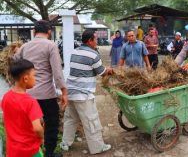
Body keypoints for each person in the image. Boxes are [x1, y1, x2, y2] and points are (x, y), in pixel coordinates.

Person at [14, 20, 68, 157]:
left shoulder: (25, 47)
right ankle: (49, 152)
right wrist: (64, 92)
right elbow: (57, 72)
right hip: (46, 95)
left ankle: (31, 151)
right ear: (49, 32)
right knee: (51, 123)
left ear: (34, 31)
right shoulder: (51, 45)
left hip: (27, 94)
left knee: (28, 124)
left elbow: (15, 62)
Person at [60, 30, 113, 154]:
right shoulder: (93, 54)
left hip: (71, 91)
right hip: (83, 94)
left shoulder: (74, 51)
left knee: (70, 119)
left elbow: (86, 69)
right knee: (91, 121)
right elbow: (102, 72)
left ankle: (65, 143)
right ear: (89, 40)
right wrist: (109, 70)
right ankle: (97, 147)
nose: (96, 41)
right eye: (95, 39)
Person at [1, 59, 44, 157]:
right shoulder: (30, 102)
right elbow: (37, 128)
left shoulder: (6, 97)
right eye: (34, 75)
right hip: (30, 150)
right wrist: (42, 137)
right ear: (25, 78)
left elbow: (8, 118)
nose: (35, 79)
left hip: (12, 151)